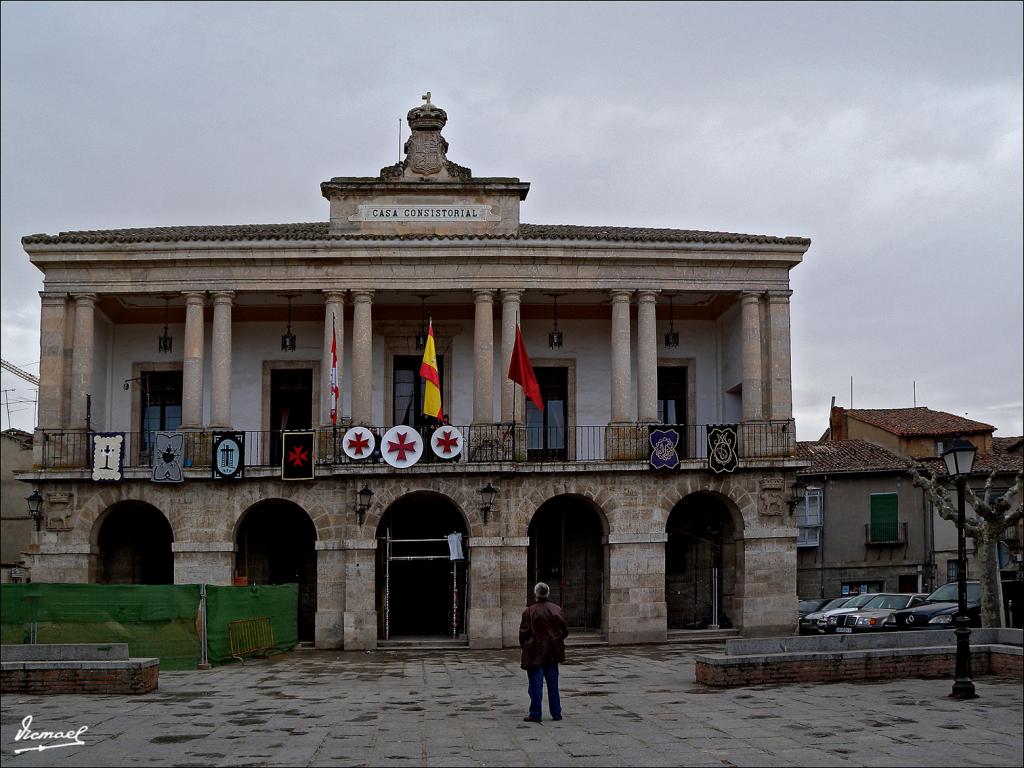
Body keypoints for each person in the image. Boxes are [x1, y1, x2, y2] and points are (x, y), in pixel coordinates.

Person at [519, 581, 569, 723]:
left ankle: (535, 713)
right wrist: (555, 641)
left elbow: (523, 633)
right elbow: (564, 631)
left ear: (535, 594)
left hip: (535, 653)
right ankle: (556, 713)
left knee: (535, 685)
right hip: (552, 652)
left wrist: (526, 646)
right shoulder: (556, 609)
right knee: (553, 685)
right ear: (547, 593)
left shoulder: (529, 611)